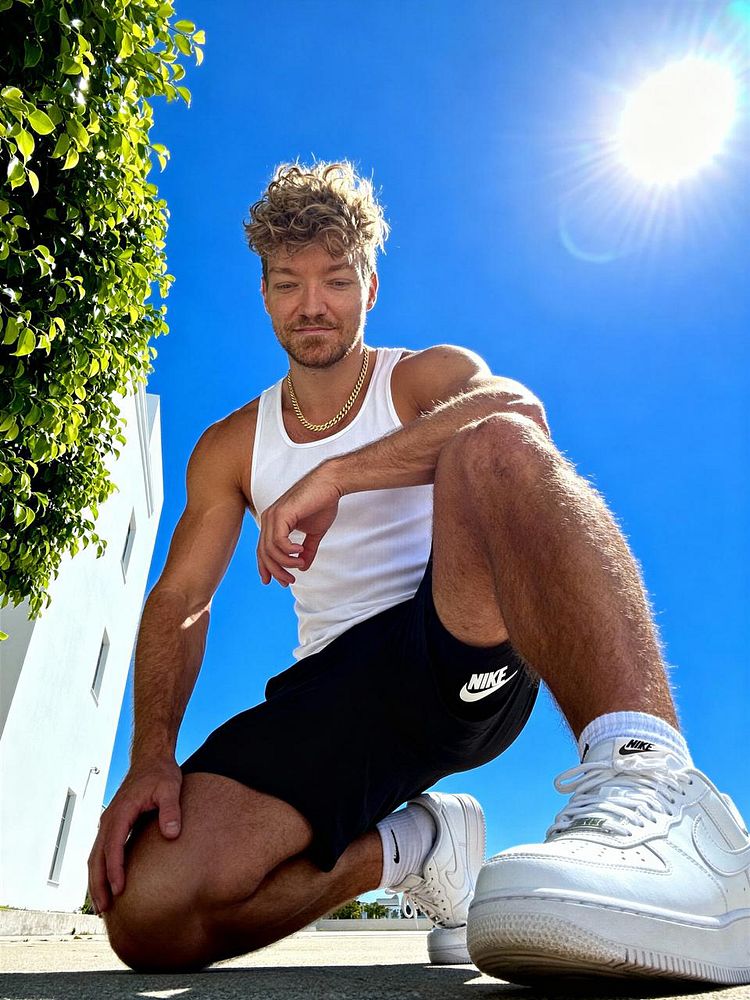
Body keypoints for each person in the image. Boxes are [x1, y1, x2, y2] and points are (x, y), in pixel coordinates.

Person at [88, 161, 749, 985]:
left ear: (369, 286)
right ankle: (421, 847)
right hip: (335, 696)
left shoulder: (420, 377)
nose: (312, 304)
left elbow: (517, 411)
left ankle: (657, 782)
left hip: (456, 644)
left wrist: (338, 475)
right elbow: (183, 598)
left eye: (336, 279)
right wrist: (151, 754)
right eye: (289, 283)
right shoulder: (230, 446)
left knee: (492, 442)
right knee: (146, 915)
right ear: (264, 295)